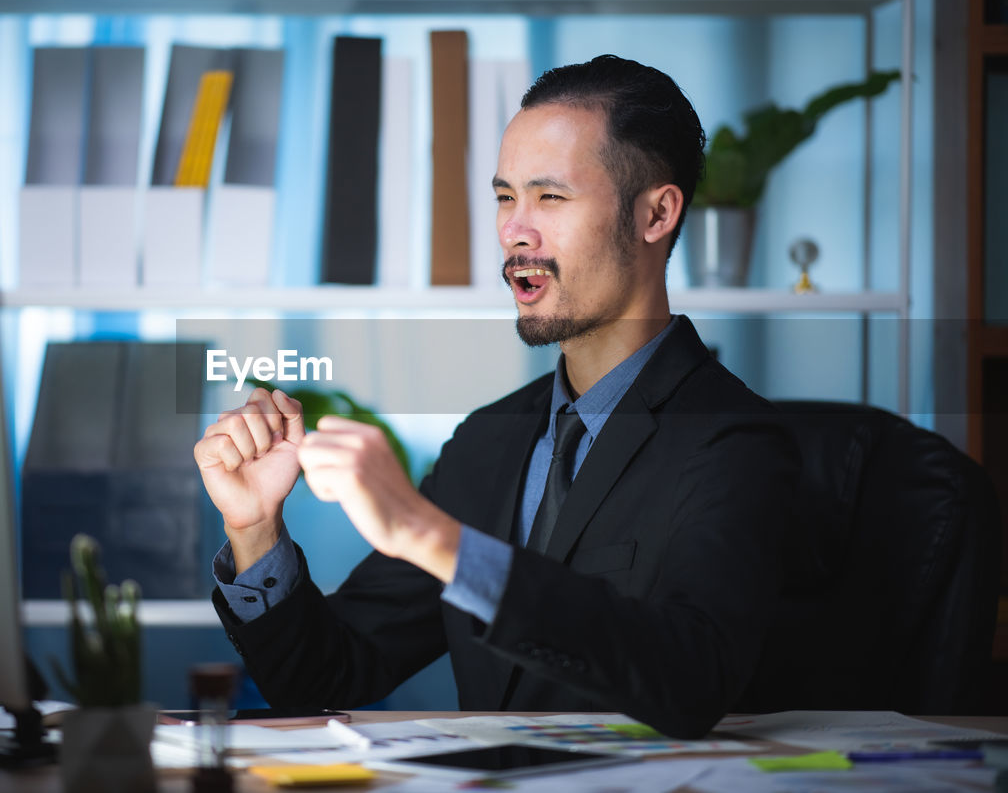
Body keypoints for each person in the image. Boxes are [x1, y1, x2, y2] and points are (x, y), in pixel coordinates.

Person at [192, 55, 797, 739]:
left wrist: (430, 536)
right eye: (506, 197)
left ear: (656, 213)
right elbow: (327, 678)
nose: (515, 231)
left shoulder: (733, 439)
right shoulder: (489, 441)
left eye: (551, 197)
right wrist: (254, 530)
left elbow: (691, 678)